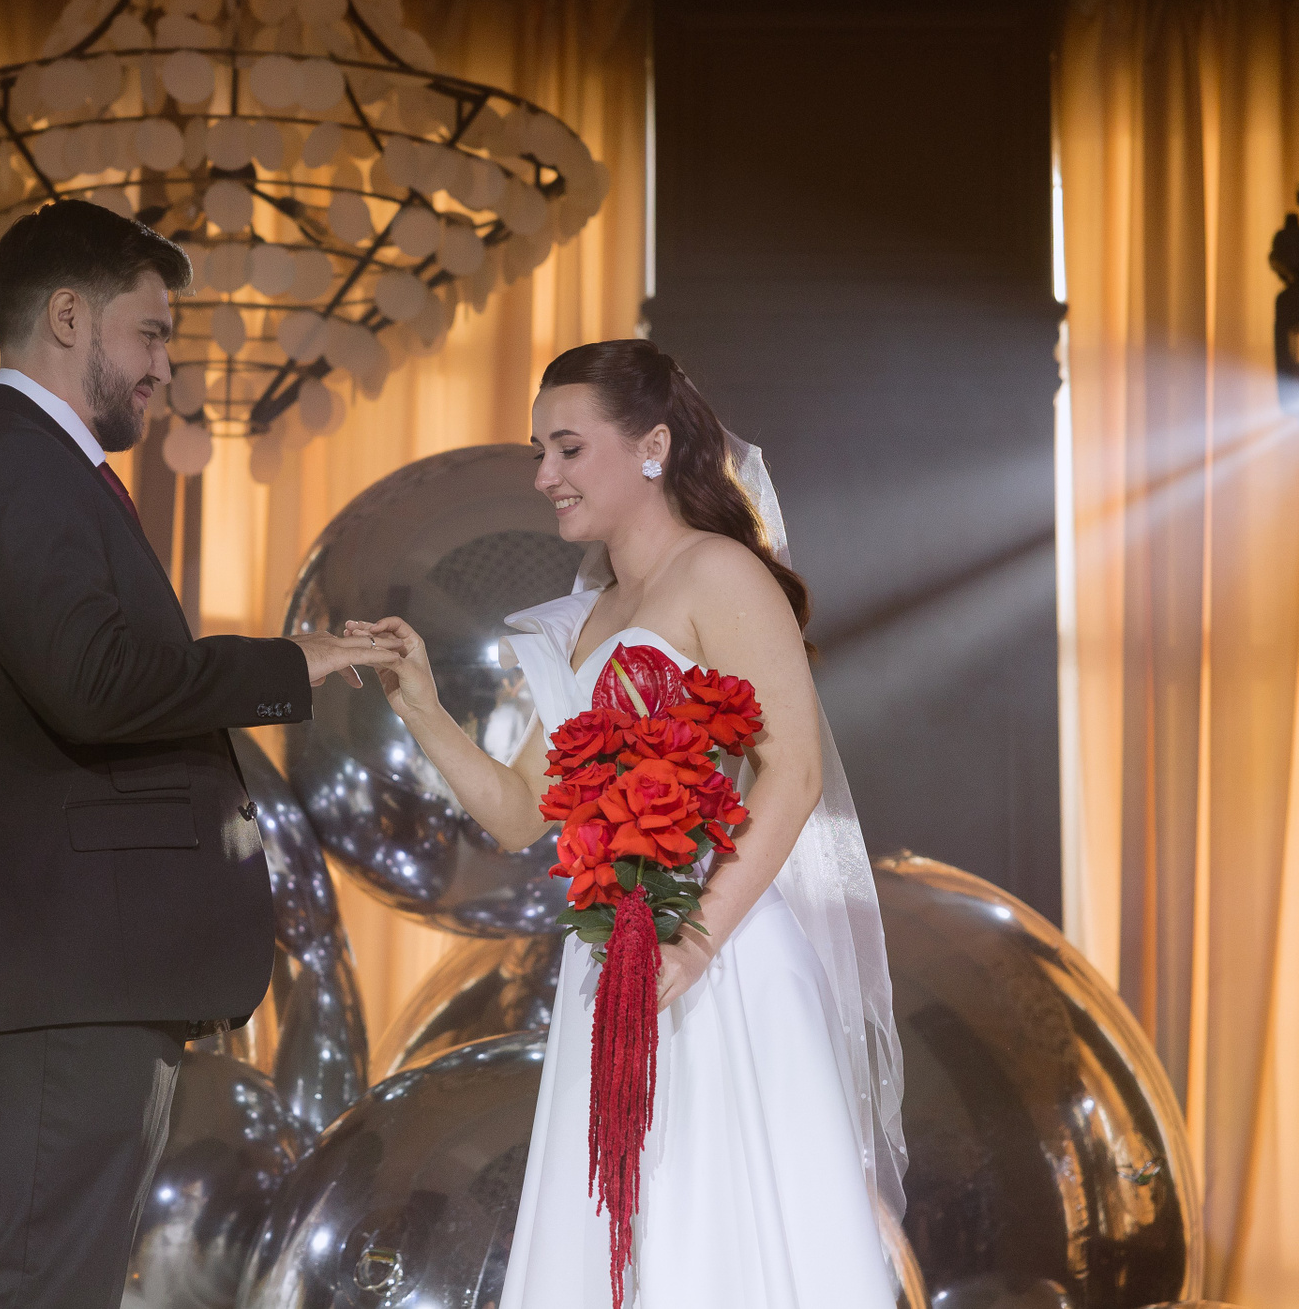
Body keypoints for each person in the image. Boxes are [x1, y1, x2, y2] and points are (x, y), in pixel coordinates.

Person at [345, 339, 906, 1307]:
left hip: (718, 959)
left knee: (718, 1234)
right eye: (540, 452)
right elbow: (517, 815)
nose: (543, 476)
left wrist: (694, 941)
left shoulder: (718, 572)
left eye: (568, 449)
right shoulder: (589, 614)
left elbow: (796, 773)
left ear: (652, 447)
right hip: (610, 966)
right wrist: (421, 704)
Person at [0, 199, 390, 1309]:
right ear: (68, 318)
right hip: (62, 977)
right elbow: (96, 683)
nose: (167, 368)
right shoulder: (14, 464)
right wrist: (291, 662)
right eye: (153, 333)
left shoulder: (37, 465)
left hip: (79, 975)